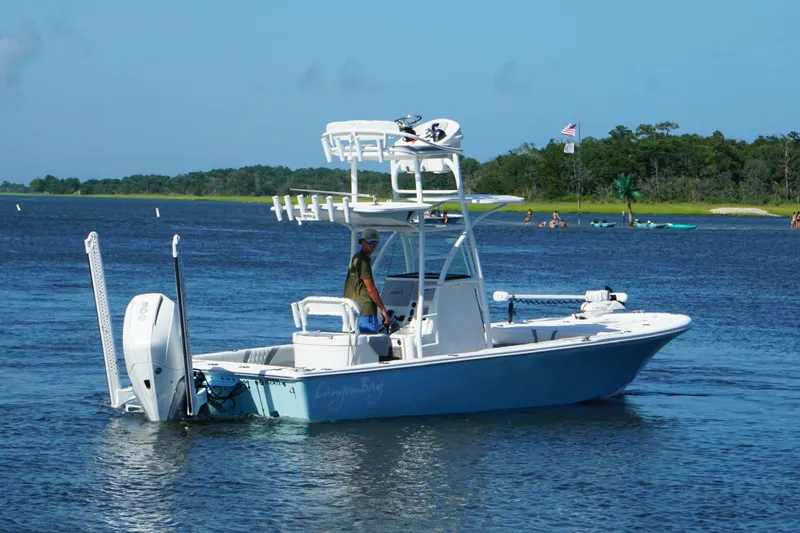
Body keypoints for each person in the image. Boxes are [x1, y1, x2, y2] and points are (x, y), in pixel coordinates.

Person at [343, 228, 390, 333]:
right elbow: (371, 289)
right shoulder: (363, 261)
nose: (373, 245)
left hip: (353, 308)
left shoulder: (357, 257)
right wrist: (383, 309)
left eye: (375, 242)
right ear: (362, 241)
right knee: (370, 343)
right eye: (370, 242)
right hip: (365, 309)